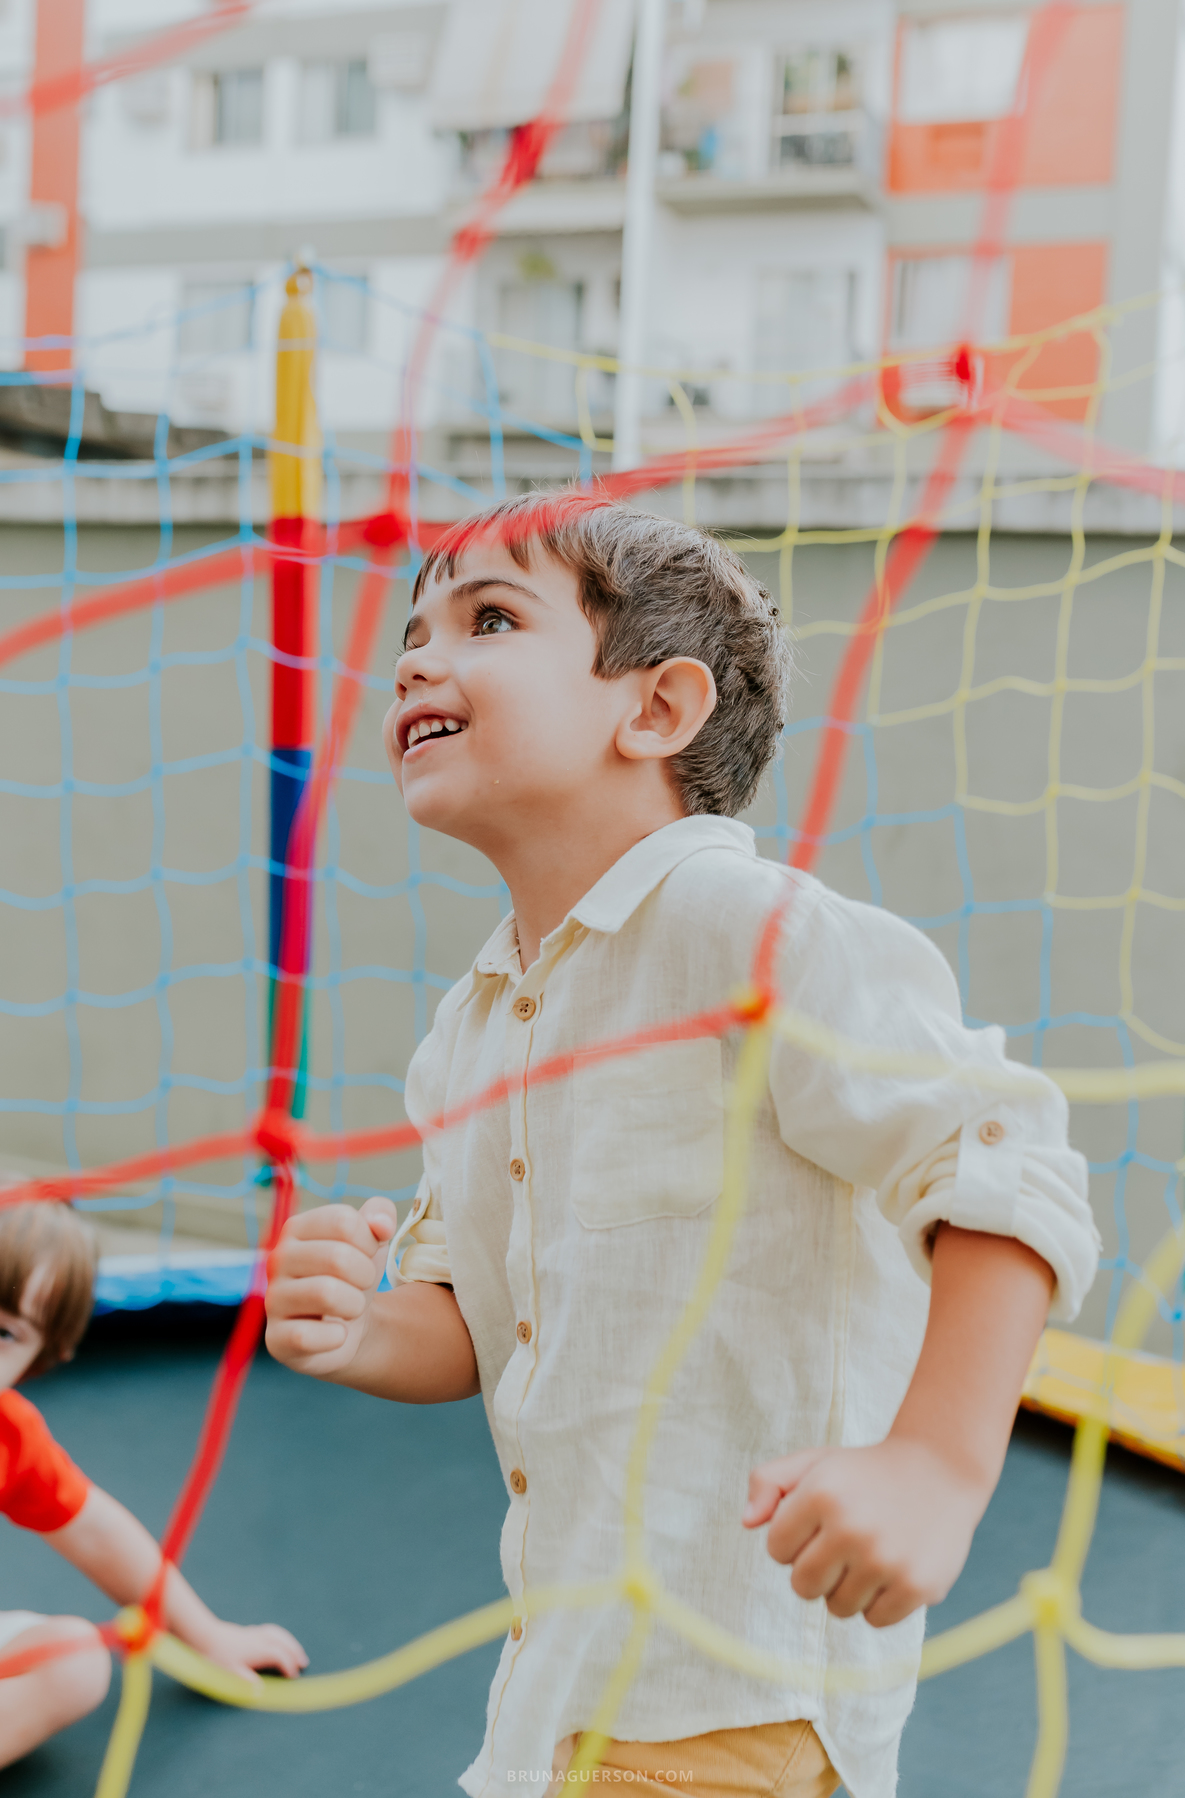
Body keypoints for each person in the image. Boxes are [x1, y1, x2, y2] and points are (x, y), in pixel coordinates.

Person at [265, 493, 1098, 1798]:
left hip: (732, 1695)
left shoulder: (746, 930)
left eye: (489, 620)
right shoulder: (472, 1023)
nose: (418, 660)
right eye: (411, 636)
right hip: (558, 1696)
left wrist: (935, 1461)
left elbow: (1005, 1153)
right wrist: (358, 1328)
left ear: (656, 708)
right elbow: (472, 1319)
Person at [0, 1198, 307, 1768]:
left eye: (3, 1332)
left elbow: (97, 1533)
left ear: (36, 1363)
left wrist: (207, 1636)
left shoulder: (9, 1438)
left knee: (73, 1661)